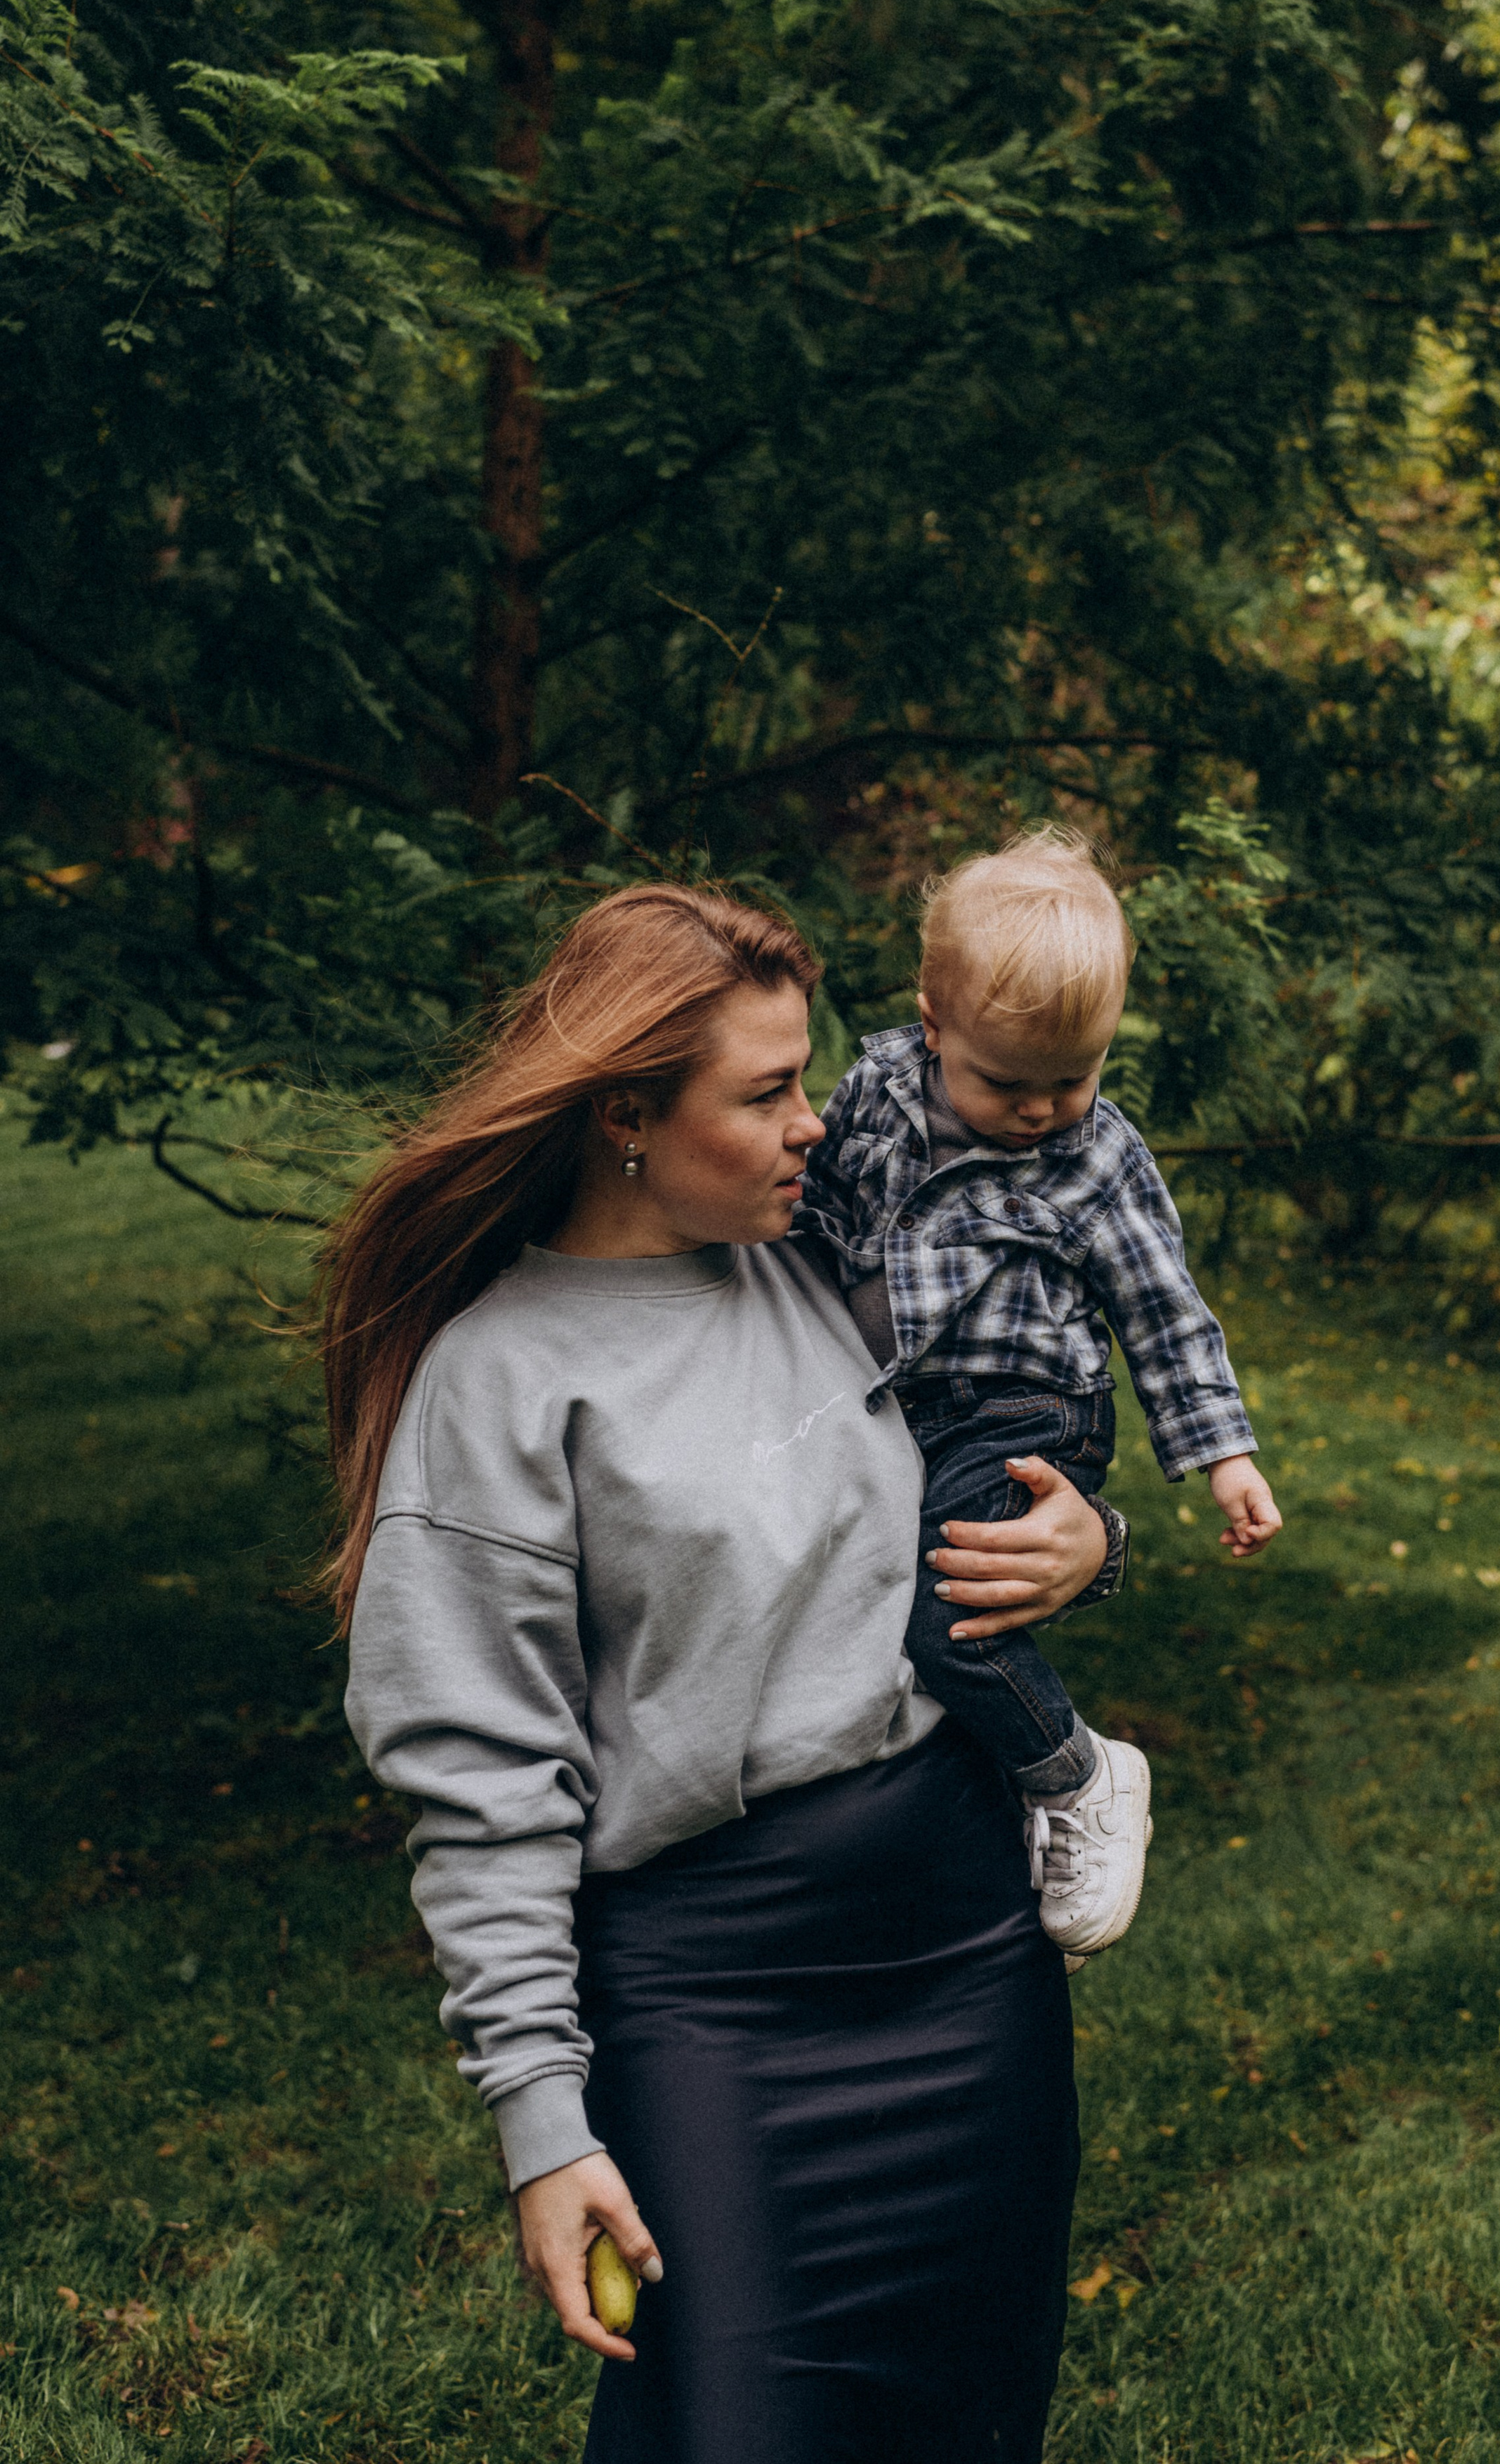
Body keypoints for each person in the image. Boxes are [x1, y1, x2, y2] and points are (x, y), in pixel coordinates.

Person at [324, 882, 1119, 2464]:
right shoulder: (504, 1382)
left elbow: (985, 1458)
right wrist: (546, 2126)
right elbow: (484, 1798)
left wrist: (1083, 1544)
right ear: (627, 1112)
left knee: (970, 2420)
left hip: (966, 1956)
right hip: (715, 2002)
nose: (815, 1126)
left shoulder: (827, 1266)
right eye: (765, 1095)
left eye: (806, 1080)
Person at [798, 826, 1283, 1962]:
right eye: (1007, 1082)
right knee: (873, 1607)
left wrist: (1226, 1459)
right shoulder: (873, 1093)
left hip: (1029, 1417)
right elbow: (812, 1213)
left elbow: (1164, 1314)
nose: (1040, 1111)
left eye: (1076, 1078)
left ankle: (1077, 1774)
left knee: (952, 1615)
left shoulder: (1100, 1158)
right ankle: (975, 1826)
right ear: (932, 1023)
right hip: (902, 1409)